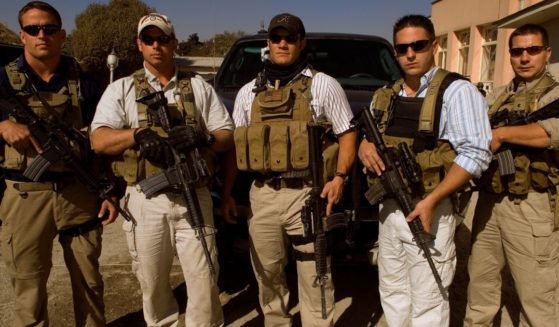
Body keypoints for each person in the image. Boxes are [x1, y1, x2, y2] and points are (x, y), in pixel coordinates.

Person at [90, 13, 234, 326]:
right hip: (146, 197)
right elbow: (98, 140)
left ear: (174, 43)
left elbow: (226, 135)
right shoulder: (122, 89)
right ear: (139, 45)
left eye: (163, 39)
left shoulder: (199, 87)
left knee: (205, 277)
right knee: (152, 280)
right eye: (149, 39)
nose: (156, 46)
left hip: (194, 195)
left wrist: (204, 136)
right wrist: (136, 134)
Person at [358, 14, 492, 326]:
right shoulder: (387, 94)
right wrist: (365, 145)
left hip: (430, 209)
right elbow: (371, 133)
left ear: (434, 46)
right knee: (393, 291)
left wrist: (432, 200)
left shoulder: (457, 92)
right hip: (389, 210)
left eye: (418, 45)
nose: (410, 54)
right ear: (395, 53)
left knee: (428, 301)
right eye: (403, 48)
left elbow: (476, 155)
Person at [232, 12, 357, 326]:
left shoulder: (323, 85)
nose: (283, 43)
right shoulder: (248, 93)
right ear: (269, 43)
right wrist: (229, 197)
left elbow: (348, 133)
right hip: (262, 195)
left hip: (307, 193)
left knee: (315, 271)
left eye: (290, 37)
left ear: (302, 42)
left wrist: (340, 177)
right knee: (267, 274)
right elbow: (235, 146)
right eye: (277, 38)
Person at [0, 1, 117, 326]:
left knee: (89, 283)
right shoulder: (3, 80)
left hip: (78, 192)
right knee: (29, 288)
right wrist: (1, 126)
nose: (42, 35)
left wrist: (109, 191)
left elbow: (103, 141)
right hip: (25, 195)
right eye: (34, 29)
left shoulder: (86, 82)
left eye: (50, 29)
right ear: (22, 35)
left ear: (62, 35)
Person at [465, 23, 559, 327]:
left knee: (537, 297)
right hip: (491, 202)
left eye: (533, 50)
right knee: (480, 286)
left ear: (547, 53)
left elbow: (550, 133)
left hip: (532, 206)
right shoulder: (500, 96)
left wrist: (503, 133)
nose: (524, 57)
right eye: (517, 51)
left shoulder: (554, 95)